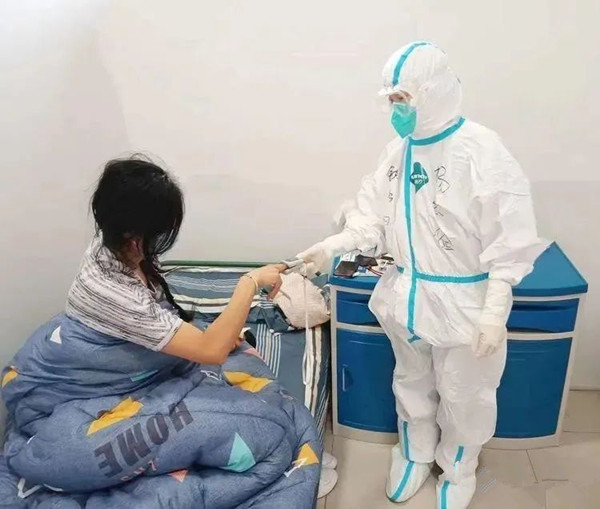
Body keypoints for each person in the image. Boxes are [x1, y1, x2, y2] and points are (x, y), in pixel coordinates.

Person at [297, 42, 546, 508]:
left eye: (404, 99)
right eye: (391, 100)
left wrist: (494, 311)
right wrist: (334, 246)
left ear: (432, 92)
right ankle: (414, 453)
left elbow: (510, 240)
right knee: (410, 382)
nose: (397, 110)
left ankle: (459, 467)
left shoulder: (481, 150)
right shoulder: (397, 153)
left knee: (465, 393)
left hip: (465, 305)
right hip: (405, 295)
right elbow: (372, 218)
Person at [67, 155, 284, 367]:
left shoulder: (114, 237)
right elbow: (212, 352)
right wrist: (250, 282)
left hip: (126, 332)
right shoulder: (117, 294)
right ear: (134, 235)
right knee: (249, 376)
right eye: (159, 232)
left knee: (235, 348)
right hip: (100, 367)